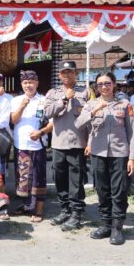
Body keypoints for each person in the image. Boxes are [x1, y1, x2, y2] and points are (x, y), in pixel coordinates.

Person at [75, 72, 134, 245]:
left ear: (114, 84)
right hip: (98, 153)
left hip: (120, 154)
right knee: (102, 190)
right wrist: (95, 110)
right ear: (97, 86)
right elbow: (79, 124)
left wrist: (132, 158)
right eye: (100, 84)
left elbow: (132, 132)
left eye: (107, 83)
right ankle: (105, 225)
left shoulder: (124, 104)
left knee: (119, 191)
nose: (104, 87)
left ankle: (117, 228)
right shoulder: (91, 104)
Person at [44, 60, 89, 231]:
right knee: (60, 178)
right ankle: (65, 209)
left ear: (76, 73)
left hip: (78, 143)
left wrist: (90, 143)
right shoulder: (52, 93)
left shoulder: (85, 92)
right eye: (64, 72)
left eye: (70, 72)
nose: (67, 75)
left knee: (76, 180)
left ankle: (76, 214)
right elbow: (46, 113)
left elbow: (91, 117)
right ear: (59, 75)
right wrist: (64, 99)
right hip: (58, 143)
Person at [10, 70, 53, 222]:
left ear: (37, 83)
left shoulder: (44, 100)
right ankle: (27, 206)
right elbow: (13, 120)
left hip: (38, 144)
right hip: (20, 143)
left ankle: (39, 210)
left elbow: (51, 123)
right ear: (22, 84)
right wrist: (22, 106)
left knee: (38, 177)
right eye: (25, 82)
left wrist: (40, 132)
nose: (28, 85)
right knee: (23, 177)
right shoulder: (16, 100)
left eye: (31, 82)